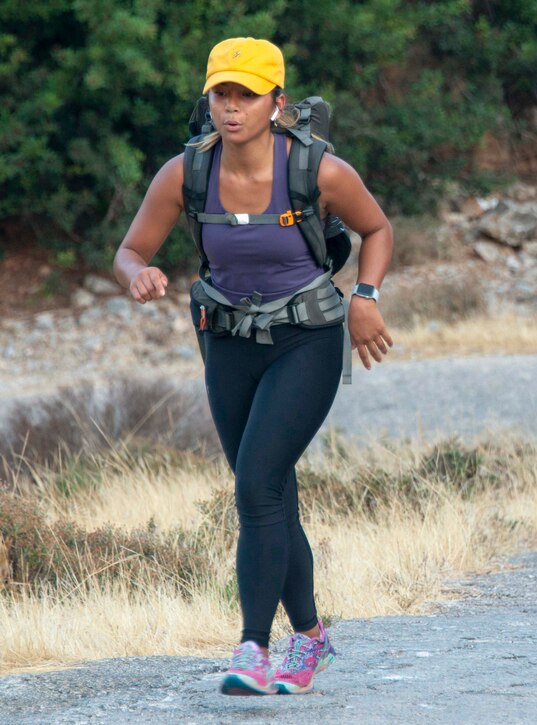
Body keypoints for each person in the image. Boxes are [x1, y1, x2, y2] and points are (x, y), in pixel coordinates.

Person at [113, 37, 394, 695]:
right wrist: (139, 273)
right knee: (269, 488)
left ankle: (253, 648)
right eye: (221, 94)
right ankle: (312, 637)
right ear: (208, 98)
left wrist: (366, 296)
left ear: (277, 102)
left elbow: (376, 229)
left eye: (246, 95)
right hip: (227, 342)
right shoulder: (185, 173)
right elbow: (130, 249)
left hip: (308, 340)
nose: (232, 108)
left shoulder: (319, 171)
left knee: (256, 483)